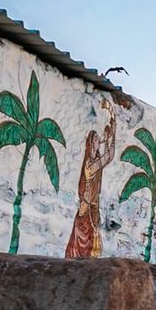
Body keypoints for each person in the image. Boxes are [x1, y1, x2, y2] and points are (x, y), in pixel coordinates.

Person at [64, 99, 117, 258]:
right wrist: (111, 136)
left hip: (93, 206)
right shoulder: (89, 164)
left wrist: (111, 136)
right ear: (90, 144)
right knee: (83, 245)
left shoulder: (96, 159)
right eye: (94, 141)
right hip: (86, 206)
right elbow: (107, 158)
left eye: (96, 140)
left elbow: (108, 156)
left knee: (92, 247)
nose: (96, 143)